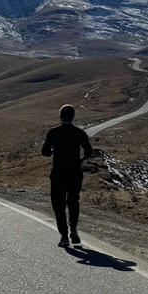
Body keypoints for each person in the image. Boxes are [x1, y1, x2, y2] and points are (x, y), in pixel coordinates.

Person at [41, 104, 93, 248]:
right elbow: (89, 151)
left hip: (58, 172)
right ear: (73, 117)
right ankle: (74, 229)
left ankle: (64, 236)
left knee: (58, 204)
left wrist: (52, 152)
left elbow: (44, 151)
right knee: (73, 201)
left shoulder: (53, 132)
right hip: (75, 172)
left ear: (60, 116)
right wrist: (81, 159)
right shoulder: (80, 133)